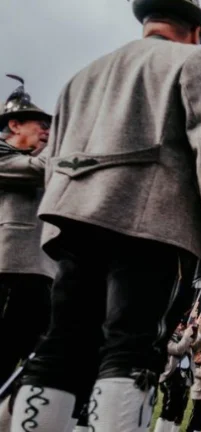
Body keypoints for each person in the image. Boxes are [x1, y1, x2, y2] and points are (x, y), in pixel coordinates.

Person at [9, 0, 201, 431]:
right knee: (133, 343)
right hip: (150, 221)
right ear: (195, 30)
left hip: (75, 222)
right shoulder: (198, 60)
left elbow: (53, 157)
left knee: (61, 344)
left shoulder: (84, 74)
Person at [0, 75, 56, 387]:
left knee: (36, 370)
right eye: (40, 123)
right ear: (15, 124)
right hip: (9, 271)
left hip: (41, 274)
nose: (47, 131)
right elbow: (39, 170)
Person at [155, 319, 201, 432]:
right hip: (172, 377)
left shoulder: (184, 339)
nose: (181, 326)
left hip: (184, 378)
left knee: (179, 410)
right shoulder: (168, 338)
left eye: (182, 324)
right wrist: (187, 335)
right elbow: (178, 349)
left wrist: (200, 329)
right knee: (168, 408)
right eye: (179, 324)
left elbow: (197, 346)